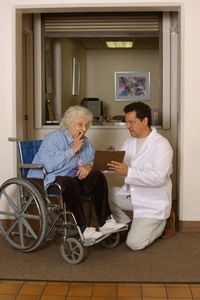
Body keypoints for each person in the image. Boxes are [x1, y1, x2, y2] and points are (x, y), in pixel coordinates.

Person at [27, 105, 125, 240]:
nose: (84, 129)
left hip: (72, 178)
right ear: (69, 122)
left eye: (86, 125)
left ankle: (105, 222)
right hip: (47, 178)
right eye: (80, 124)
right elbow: (48, 166)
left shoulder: (85, 141)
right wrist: (72, 149)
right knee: (69, 181)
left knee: (97, 175)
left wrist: (88, 167)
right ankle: (83, 228)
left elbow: (90, 159)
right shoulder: (54, 139)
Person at [108, 101, 173, 250]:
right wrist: (110, 160)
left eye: (132, 122)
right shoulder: (129, 142)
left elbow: (158, 178)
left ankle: (164, 223)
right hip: (133, 196)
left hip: (152, 203)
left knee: (134, 244)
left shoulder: (162, 145)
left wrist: (128, 172)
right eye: (126, 122)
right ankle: (127, 225)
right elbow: (122, 164)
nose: (128, 126)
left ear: (145, 121)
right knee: (106, 192)